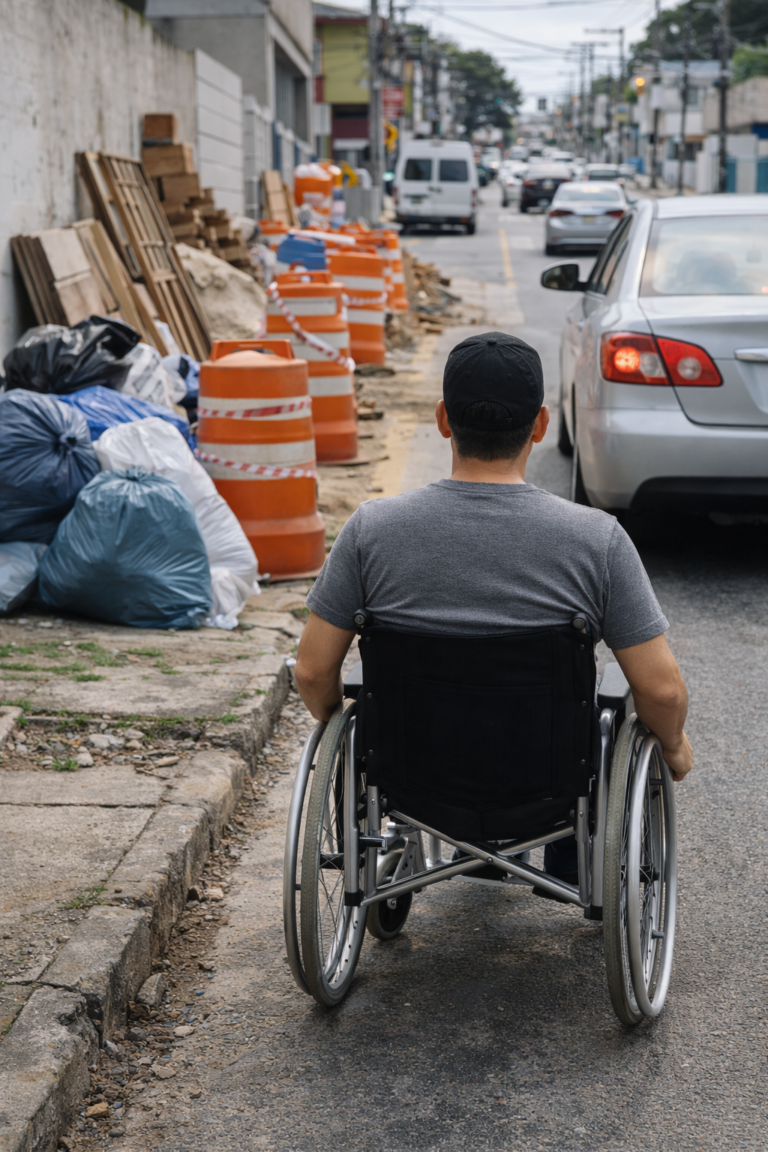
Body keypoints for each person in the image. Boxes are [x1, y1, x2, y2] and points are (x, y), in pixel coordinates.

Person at [295, 331, 693, 889]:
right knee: (609, 706)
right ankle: (568, 854)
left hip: (411, 778)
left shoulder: (370, 531)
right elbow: (663, 692)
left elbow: (313, 672)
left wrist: (344, 729)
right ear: (539, 425)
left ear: (442, 419)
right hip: (548, 782)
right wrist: (672, 746)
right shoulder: (596, 540)